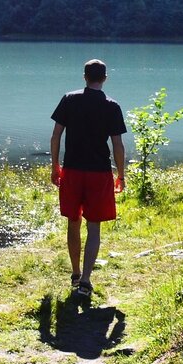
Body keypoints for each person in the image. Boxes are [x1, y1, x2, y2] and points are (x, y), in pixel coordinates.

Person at [50, 58, 126, 297]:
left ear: (84, 76)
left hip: (72, 170)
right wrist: (120, 174)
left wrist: (55, 165)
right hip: (99, 172)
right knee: (94, 227)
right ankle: (85, 280)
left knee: (73, 221)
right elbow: (118, 145)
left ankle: (74, 273)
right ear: (105, 78)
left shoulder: (69, 99)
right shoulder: (112, 106)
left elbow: (56, 136)